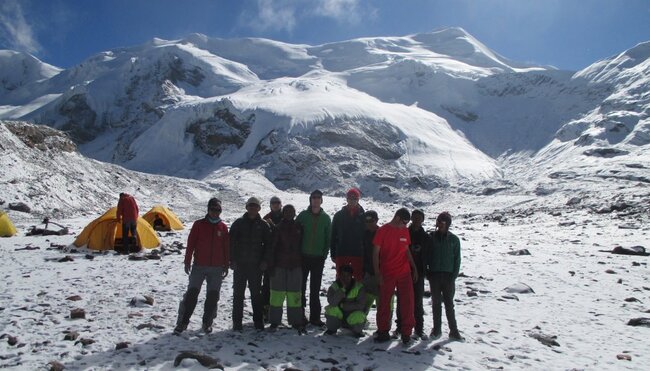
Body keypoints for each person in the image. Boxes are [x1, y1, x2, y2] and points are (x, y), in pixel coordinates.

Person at [174, 198, 229, 334]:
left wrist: (226, 264)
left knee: (213, 296)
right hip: (199, 265)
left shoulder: (223, 227)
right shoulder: (198, 225)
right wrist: (187, 261)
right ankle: (183, 322)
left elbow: (226, 247)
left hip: (216, 267)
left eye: (218, 210)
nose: (216, 212)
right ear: (208, 209)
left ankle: (207, 323)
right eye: (213, 209)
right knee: (192, 294)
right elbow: (191, 243)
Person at [372, 208, 418, 344]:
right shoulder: (383, 231)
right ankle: (383, 331)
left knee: (408, 303)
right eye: (404, 222)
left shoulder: (404, 230)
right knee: (384, 303)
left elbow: (406, 250)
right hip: (387, 272)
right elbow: (375, 253)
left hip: (404, 273)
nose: (405, 225)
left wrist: (413, 267)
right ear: (397, 218)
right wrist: (377, 273)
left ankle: (406, 333)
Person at [229, 197, 272, 331]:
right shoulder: (238, 223)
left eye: (255, 206)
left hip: (256, 266)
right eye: (250, 206)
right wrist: (231, 260)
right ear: (247, 207)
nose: (253, 208)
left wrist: (265, 261)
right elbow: (231, 243)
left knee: (256, 294)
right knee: (238, 294)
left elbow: (269, 245)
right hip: (240, 265)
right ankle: (237, 322)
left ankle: (258, 321)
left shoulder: (264, 225)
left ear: (259, 208)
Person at [296, 189, 331, 327]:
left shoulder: (326, 218)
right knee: (301, 287)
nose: (316, 200)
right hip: (303, 256)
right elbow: (295, 233)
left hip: (318, 258)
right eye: (314, 197)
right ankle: (300, 314)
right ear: (310, 200)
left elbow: (328, 238)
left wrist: (324, 254)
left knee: (315, 288)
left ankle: (315, 317)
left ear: (321, 201)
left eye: (318, 198)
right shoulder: (303, 216)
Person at [425, 211, 462, 341]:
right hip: (434, 275)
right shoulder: (431, 238)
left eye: (442, 222)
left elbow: (457, 259)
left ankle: (454, 330)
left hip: (448, 277)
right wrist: (427, 272)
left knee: (449, 304)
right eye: (438, 221)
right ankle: (436, 330)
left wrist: (453, 276)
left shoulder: (454, 240)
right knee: (436, 303)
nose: (439, 224)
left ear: (448, 224)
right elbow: (426, 256)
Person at [268, 204, 305, 333]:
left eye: (292, 211)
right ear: (283, 213)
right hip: (279, 265)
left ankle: (295, 321)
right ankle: (274, 321)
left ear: (295, 213)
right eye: (287, 211)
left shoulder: (299, 227)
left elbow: (302, 247)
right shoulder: (278, 228)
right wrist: (271, 265)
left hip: (295, 265)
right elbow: (272, 247)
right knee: (277, 295)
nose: (289, 214)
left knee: (295, 295)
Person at [395, 209, 429, 339]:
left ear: (422, 220)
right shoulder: (403, 232)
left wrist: (425, 271)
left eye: (419, 218)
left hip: (419, 273)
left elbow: (428, 256)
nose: (416, 220)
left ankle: (419, 329)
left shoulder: (426, 237)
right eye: (414, 218)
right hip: (403, 271)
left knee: (417, 301)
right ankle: (400, 327)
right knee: (401, 301)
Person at [330, 188, 366, 280]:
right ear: (347, 199)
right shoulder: (338, 215)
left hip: (358, 253)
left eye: (355, 198)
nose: (352, 200)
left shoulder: (364, 216)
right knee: (341, 278)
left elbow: (366, 235)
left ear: (358, 200)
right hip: (342, 252)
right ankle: (340, 295)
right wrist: (333, 253)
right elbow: (333, 235)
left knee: (358, 278)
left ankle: (356, 295)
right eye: (350, 198)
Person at [324, 264, 367, 338]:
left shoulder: (359, 287)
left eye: (348, 275)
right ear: (339, 275)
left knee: (359, 316)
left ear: (351, 276)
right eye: (343, 275)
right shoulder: (334, 287)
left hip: (352, 314)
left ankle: (356, 331)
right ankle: (332, 329)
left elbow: (361, 305)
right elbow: (332, 302)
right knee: (331, 310)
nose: (345, 278)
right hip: (339, 314)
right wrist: (342, 290)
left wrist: (345, 306)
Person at [262, 196, 283, 323]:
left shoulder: (286, 217)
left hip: (282, 256)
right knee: (267, 285)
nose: (275, 205)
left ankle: (276, 310)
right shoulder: (265, 219)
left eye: (277, 203)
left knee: (279, 286)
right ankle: (265, 309)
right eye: (273, 203)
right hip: (269, 256)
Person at [361, 210, 380, 314]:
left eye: (371, 221)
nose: (369, 223)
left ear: (376, 220)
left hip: (381, 274)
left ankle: (383, 328)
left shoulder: (382, 233)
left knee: (382, 304)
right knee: (364, 302)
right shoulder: (365, 234)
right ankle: (360, 322)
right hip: (368, 272)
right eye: (366, 221)